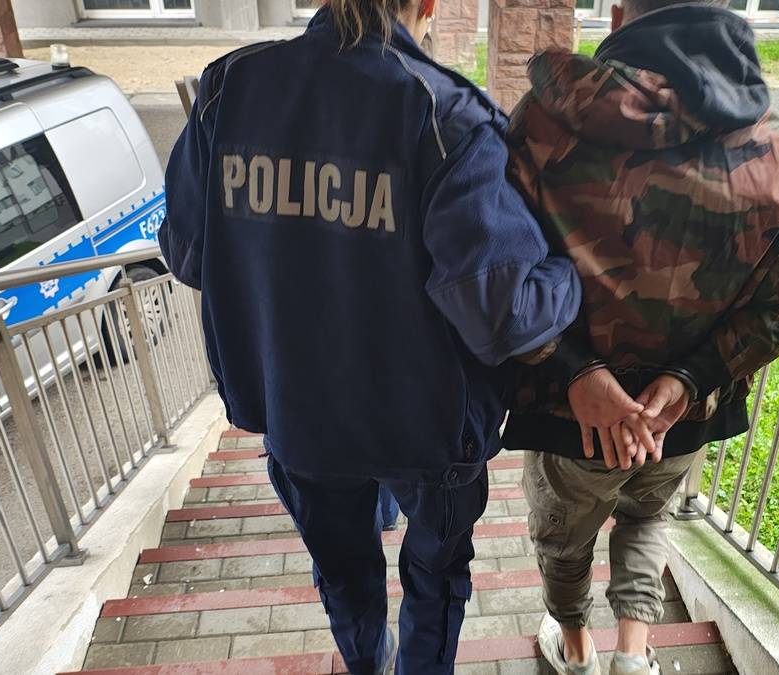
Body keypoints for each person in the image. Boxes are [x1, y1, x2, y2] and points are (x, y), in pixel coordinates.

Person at [157, 0, 637, 671]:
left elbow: (187, 254)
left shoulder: (229, 88)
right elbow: (502, 310)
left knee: (344, 568)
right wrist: (569, 274)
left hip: (297, 409)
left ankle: (365, 660)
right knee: (435, 576)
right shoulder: (447, 116)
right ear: (428, 4)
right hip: (426, 425)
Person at [501, 1, 779, 673]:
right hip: (679, 418)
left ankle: (575, 650)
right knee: (647, 516)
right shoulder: (772, 147)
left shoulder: (543, 122)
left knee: (564, 540)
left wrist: (572, 368)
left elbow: (498, 272)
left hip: (572, 416)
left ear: (621, 16)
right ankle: (632, 654)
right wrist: (688, 379)